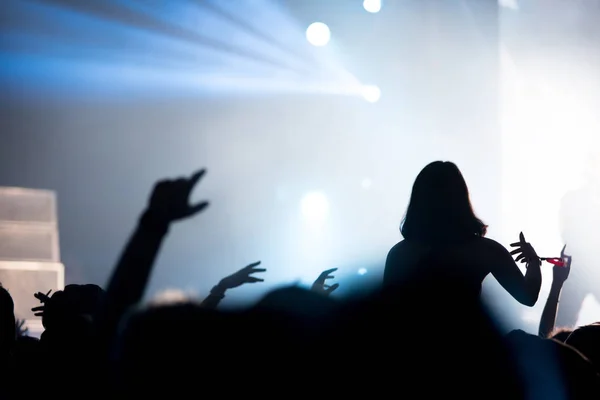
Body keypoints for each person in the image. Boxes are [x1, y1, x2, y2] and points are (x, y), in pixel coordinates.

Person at [384, 161, 541, 306]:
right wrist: (533, 261)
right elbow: (528, 296)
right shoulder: (485, 250)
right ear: (461, 199)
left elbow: (386, 312)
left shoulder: (400, 254)